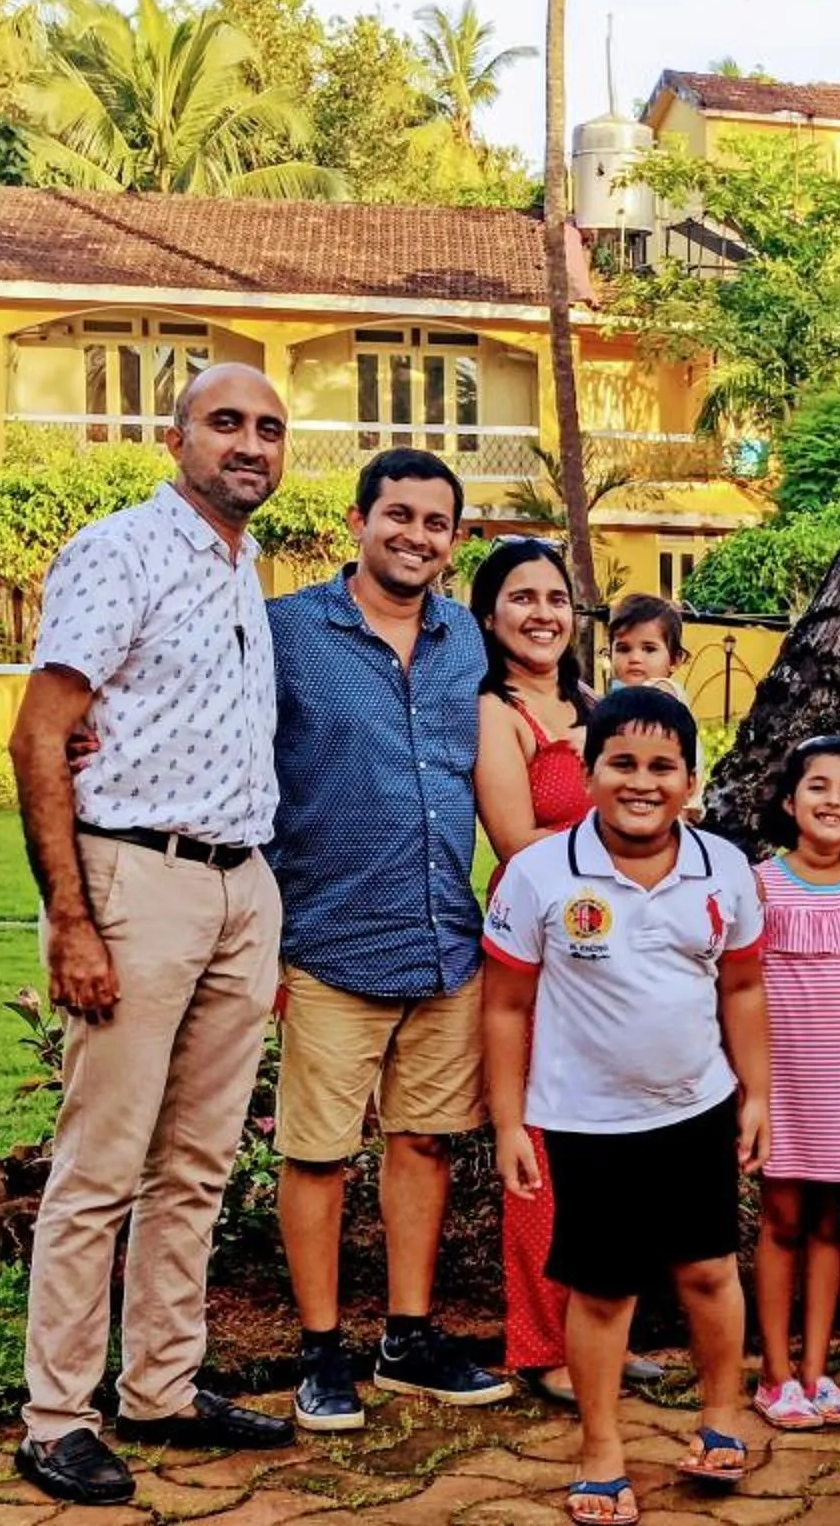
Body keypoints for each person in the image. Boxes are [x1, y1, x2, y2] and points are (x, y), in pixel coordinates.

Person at [4, 363, 297, 1503]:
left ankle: (163, 1387)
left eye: (270, 429)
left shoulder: (242, 565)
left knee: (200, 1163)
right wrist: (73, 916)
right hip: (135, 881)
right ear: (174, 438)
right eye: (227, 422)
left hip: (238, 886)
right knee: (101, 1167)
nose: (251, 444)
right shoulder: (121, 548)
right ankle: (55, 1416)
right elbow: (40, 737)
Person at [265, 449, 511, 1431]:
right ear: (358, 520)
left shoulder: (467, 643)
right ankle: (321, 1352)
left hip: (447, 937)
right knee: (317, 1152)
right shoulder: (287, 631)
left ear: (455, 541)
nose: (416, 535)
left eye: (436, 522)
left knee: (424, 1140)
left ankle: (407, 1337)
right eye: (397, 515)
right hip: (328, 935)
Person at [482, 688, 768, 1525]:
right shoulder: (540, 874)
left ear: (690, 778)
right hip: (586, 1122)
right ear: (589, 771)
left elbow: (745, 989)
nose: (642, 783)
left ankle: (722, 1416)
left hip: (698, 1110)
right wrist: (508, 1122)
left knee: (710, 1271)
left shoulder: (724, 867)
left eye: (662, 768)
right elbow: (504, 1006)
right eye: (623, 764)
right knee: (602, 1292)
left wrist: (758, 1097)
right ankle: (602, 1451)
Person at [468, 538, 617, 1406]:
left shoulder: (596, 704)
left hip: (609, 946)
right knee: (540, 1153)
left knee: (607, 1149)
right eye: (521, 598)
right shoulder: (498, 712)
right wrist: (629, 842)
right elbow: (516, 838)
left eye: (555, 598)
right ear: (490, 616)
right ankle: (541, 1344)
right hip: (537, 941)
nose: (542, 613)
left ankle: (600, 1333)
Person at [748, 737, 840, 1431]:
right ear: (788, 800)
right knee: (779, 1224)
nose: (833, 800)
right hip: (779, 1087)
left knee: (830, 1229)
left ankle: (817, 1371)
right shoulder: (760, 882)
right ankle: (775, 1374)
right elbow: (738, 989)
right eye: (818, 786)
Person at [606, 594, 688, 694]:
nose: (635, 658)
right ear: (610, 655)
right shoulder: (614, 693)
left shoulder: (664, 692)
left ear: (674, 660)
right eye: (624, 649)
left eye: (649, 649)